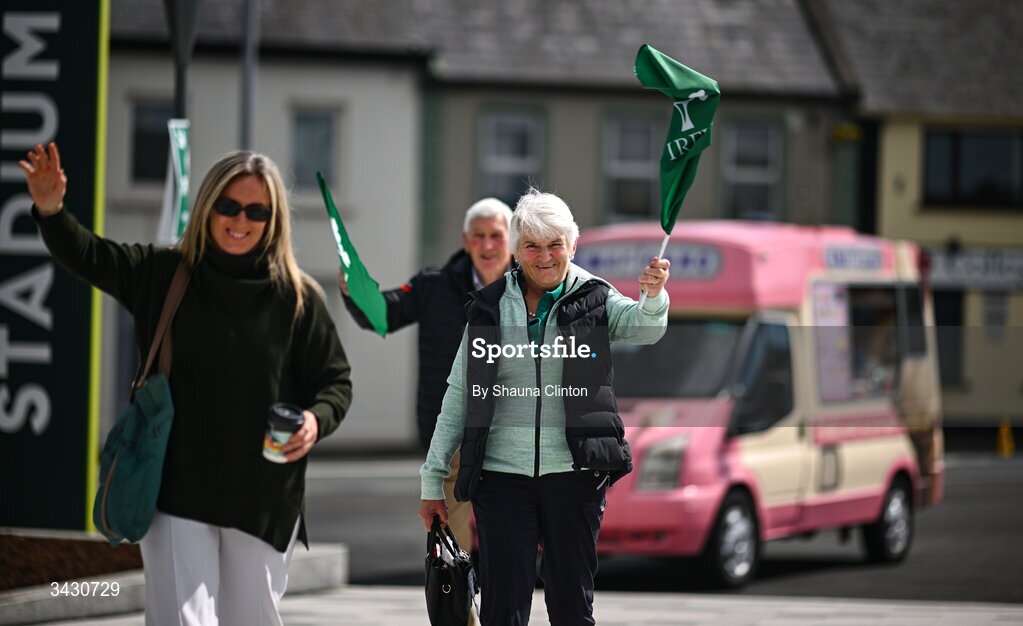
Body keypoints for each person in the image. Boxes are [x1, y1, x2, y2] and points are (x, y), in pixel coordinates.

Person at [20, 142, 352, 625]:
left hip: (261, 493)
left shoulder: (298, 298)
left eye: (257, 210)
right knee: (181, 619)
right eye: (229, 206)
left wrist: (313, 420)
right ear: (207, 206)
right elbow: (90, 255)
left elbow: (335, 382)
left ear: (273, 218)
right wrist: (50, 209)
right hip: (175, 486)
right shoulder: (162, 275)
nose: (241, 219)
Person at [417, 188, 670, 625]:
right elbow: (459, 395)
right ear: (516, 250)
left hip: (575, 477)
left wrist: (654, 297)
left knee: (572, 605)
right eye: (532, 245)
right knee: (503, 608)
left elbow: (642, 328)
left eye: (556, 244)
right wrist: (432, 479)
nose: (545, 256)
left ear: (573, 245)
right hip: (500, 480)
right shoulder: (488, 308)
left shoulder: (595, 296)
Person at [339, 197, 512, 550]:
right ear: (465, 241)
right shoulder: (434, 284)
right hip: (451, 432)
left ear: (512, 238)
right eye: (478, 236)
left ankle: (503, 603)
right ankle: (461, 606)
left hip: (512, 428)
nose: (487, 245)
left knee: (510, 528)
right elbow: (384, 313)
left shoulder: (532, 288)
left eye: (496, 235)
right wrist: (355, 291)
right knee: (451, 530)